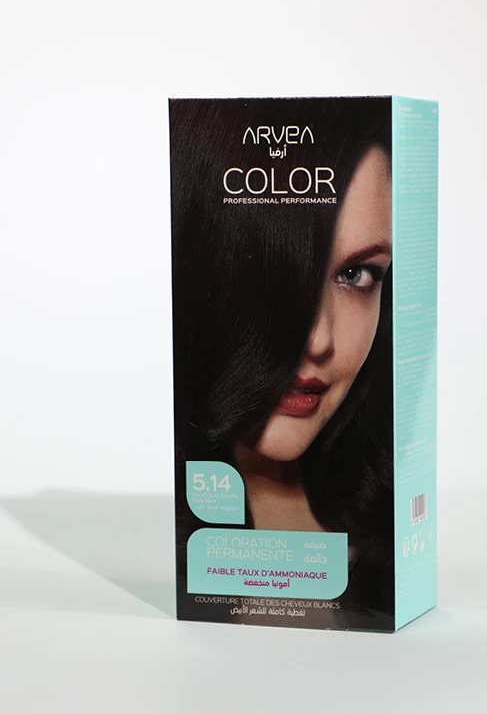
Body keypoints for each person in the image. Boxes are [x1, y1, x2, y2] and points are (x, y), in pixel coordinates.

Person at [170, 97, 395, 629]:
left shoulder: (389, 540)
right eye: (270, 269)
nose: (318, 339)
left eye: (356, 275)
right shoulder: (181, 553)